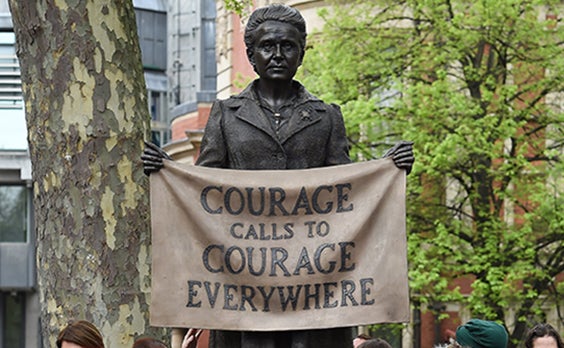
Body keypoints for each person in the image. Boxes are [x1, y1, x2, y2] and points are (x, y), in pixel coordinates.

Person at [142, 3, 414, 348]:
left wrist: (387, 168)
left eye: (288, 46)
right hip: (243, 291)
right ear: (251, 54)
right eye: (267, 46)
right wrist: (168, 173)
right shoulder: (226, 115)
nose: (277, 55)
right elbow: (203, 192)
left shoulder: (327, 116)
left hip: (315, 291)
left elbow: (349, 195)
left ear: (301, 53)